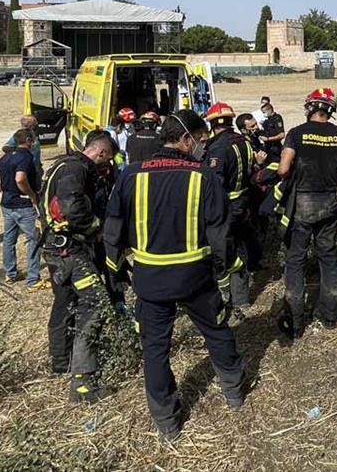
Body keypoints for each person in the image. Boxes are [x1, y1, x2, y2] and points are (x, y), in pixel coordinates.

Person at [103, 109, 247, 441]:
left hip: (150, 279)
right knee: (217, 330)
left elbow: (113, 230)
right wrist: (227, 270)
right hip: (195, 278)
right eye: (200, 140)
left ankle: (167, 421)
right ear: (184, 139)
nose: (202, 146)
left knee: (154, 349)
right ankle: (234, 393)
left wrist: (117, 273)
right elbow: (220, 233)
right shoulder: (203, 176)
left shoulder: (130, 174)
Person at [39, 129, 118, 402]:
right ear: (102, 152)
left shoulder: (60, 164)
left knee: (64, 300)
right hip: (71, 250)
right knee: (95, 303)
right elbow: (71, 207)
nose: (106, 168)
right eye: (107, 161)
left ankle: (61, 361)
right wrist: (96, 228)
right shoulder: (77, 169)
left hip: (55, 248)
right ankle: (83, 382)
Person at [277, 88, 337, 340]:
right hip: (329, 201)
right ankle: (330, 316)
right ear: (330, 109)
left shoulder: (296, 133)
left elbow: (284, 169)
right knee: (327, 257)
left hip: (304, 202)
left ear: (310, 108)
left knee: (295, 259)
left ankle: (295, 323)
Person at [204, 102, 258, 301]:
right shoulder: (243, 141)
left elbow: (214, 183)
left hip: (225, 208)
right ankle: (242, 298)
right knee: (241, 247)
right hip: (244, 203)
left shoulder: (218, 148)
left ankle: (224, 296)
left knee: (222, 252)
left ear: (212, 125)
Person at [0, 129, 47, 290]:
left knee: (9, 240)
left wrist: (1, 188)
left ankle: (11, 273)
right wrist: (31, 194)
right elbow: (20, 178)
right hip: (23, 205)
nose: (34, 142)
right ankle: (33, 280)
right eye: (33, 139)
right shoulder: (26, 157)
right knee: (33, 239)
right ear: (28, 140)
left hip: (7, 204)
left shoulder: (7, 156)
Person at [20, 114, 44, 187]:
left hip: (36, 169)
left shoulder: (32, 133)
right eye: (35, 123)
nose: (37, 124)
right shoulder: (21, 134)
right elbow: (6, 147)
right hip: (28, 170)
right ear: (30, 125)